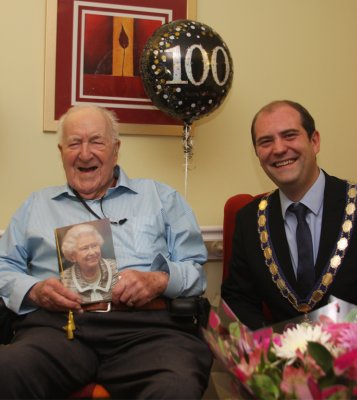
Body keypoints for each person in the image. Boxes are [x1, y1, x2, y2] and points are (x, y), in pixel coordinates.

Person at [0, 104, 212, 399]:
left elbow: (195, 271)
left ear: (116, 148)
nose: (85, 153)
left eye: (96, 141)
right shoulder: (36, 205)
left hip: (147, 332)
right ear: (62, 151)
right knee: (7, 369)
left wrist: (159, 281)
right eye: (74, 143)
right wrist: (34, 290)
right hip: (58, 329)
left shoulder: (160, 197)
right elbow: (3, 267)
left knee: (176, 386)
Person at [221, 99, 357, 330]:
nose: (278, 149)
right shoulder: (249, 220)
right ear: (257, 153)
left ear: (314, 141)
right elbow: (238, 300)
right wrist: (269, 349)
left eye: (289, 135)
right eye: (266, 141)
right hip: (283, 359)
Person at [60, 222, 119, 304]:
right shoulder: (65, 278)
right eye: (84, 248)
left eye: (94, 245)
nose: (92, 252)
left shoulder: (115, 267)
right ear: (73, 256)